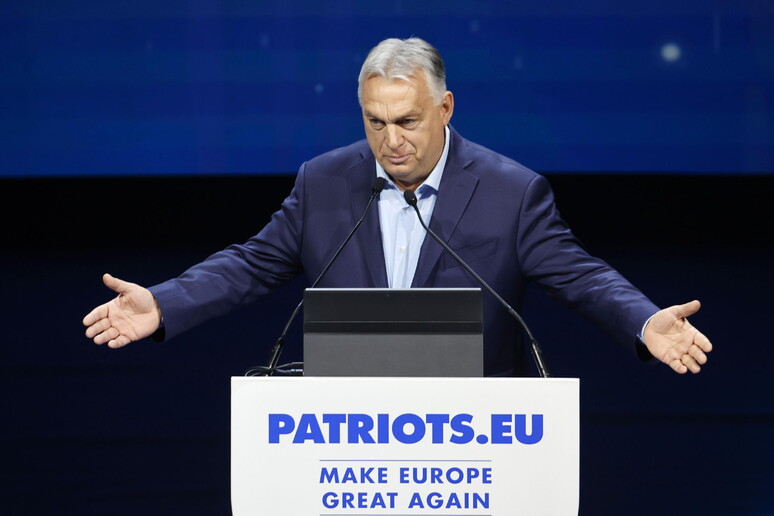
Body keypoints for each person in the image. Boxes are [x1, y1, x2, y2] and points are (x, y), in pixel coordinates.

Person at [83, 37, 712, 376]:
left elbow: (583, 277)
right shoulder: (324, 182)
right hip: (350, 436)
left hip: (478, 439)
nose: (391, 141)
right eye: (375, 122)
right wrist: (163, 303)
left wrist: (643, 320)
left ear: (445, 109)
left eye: (408, 121)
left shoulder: (513, 192)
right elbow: (249, 264)